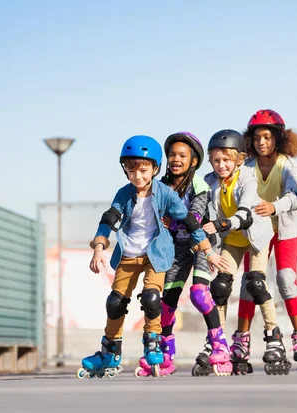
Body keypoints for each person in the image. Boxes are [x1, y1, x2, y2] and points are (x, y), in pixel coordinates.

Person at [77, 135, 228, 379]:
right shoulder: (124, 194)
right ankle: (110, 351)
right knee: (115, 303)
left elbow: (189, 220)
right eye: (131, 169)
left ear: (155, 169)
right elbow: (109, 219)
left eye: (144, 170)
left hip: (156, 255)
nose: (138, 176)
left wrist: (208, 251)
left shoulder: (166, 193)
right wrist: (99, 247)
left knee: (152, 298)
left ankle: (154, 343)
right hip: (128, 255)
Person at [133, 132, 233, 377]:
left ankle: (220, 345)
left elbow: (195, 218)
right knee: (166, 302)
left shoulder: (198, 185)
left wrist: (172, 221)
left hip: (200, 243)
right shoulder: (160, 185)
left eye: (182, 155)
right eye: (172, 155)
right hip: (175, 248)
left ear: (194, 161)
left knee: (199, 294)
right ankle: (166, 353)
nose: (175, 159)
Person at [203, 129, 291, 375]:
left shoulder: (247, 178)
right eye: (216, 160)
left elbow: (244, 212)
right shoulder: (209, 181)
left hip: (255, 237)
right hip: (231, 239)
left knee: (256, 283)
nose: (221, 165)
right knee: (219, 287)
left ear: (239, 160)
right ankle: (218, 342)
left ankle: (273, 335)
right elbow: (197, 208)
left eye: (227, 160)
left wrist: (221, 224)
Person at [242, 109, 297, 374]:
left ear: (279, 140)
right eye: (258, 138)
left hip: (285, 230)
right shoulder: (246, 166)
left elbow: (295, 197)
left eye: (268, 137)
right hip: (258, 231)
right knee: (251, 281)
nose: (262, 143)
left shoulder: (289, 166)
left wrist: (274, 207)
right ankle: (242, 342)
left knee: (284, 278)